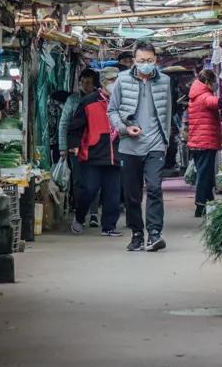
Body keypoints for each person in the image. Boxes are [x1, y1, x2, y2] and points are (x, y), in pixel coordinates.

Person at [107, 41, 173, 252]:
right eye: (142, 61)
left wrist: (165, 141)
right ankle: (137, 234)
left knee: (155, 188)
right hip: (130, 146)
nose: (146, 64)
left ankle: (154, 234)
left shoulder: (165, 81)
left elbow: (167, 113)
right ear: (134, 61)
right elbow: (112, 111)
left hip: (155, 144)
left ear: (156, 60)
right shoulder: (122, 79)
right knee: (132, 194)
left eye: (150, 61)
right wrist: (125, 130)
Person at [69, 75, 122, 236]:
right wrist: (74, 145)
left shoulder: (124, 101)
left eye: (116, 81)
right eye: (111, 81)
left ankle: (109, 226)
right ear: (103, 83)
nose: (113, 84)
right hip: (93, 152)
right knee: (89, 189)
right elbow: (75, 126)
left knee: (113, 193)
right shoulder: (89, 101)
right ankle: (79, 217)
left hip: (115, 153)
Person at [186, 67, 222, 217]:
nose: (215, 84)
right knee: (203, 175)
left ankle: (209, 203)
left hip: (199, 141)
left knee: (205, 174)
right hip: (205, 142)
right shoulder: (203, 96)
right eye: (213, 81)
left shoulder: (196, 94)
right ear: (207, 81)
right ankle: (200, 205)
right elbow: (218, 103)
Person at [58, 71, 97, 210]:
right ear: (79, 83)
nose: (86, 85)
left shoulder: (98, 98)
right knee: (78, 179)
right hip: (76, 146)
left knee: (94, 179)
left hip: (95, 145)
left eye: (90, 82)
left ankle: (93, 211)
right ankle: (80, 208)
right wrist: (63, 147)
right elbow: (63, 124)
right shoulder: (73, 100)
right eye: (84, 82)